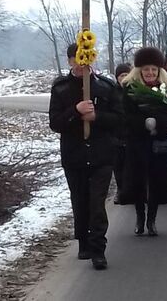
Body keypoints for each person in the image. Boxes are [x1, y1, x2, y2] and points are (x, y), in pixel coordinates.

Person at [48, 44, 124, 270]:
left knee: (97, 202)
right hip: (75, 156)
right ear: (71, 61)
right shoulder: (61, 88)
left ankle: (98, 248)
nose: (82, 65)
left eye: (86, 59)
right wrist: (76, 111)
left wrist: (96, 117)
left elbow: (119, 119)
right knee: (80, 200)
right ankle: (83, 240)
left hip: (101, 155)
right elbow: (55, 123)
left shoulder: (106, 87)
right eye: (77, 60)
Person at [118, 48, 167, 237]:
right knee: (138, 182)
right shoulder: (130, 89)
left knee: (157, 182)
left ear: (159, 71)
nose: (150, 73)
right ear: (139, 71)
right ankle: (140, 217)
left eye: (153, 69)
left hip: (157, 143)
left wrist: (158, 124)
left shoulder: (165, 89)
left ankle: (152, 220)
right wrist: (142, 123)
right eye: (146, 70)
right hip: (137, 142)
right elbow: (125, 116)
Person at [112, 62, 133, 204]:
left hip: (132, 134)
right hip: (116, 135)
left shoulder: (135, 91)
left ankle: (133, 191)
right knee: (118, 166)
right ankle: (120, 191)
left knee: (131, 166)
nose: (124, 78)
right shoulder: (112, 92)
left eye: (126, 75)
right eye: (121, 75)